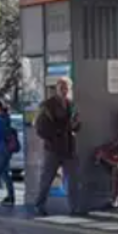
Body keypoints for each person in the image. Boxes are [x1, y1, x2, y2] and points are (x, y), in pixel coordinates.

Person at [33, 77, 81, 217]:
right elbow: (40, 127)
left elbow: (77, 124)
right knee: (47, 179)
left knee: (73, 179)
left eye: (67, 88)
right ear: (57, 89)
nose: (65, 91)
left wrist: (76, 125)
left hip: (69, 147)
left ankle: (74, 207)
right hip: (53, 148)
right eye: (62, 88)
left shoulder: (71, 104)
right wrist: (54, 136)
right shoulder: (47, 105)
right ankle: (39, 205)